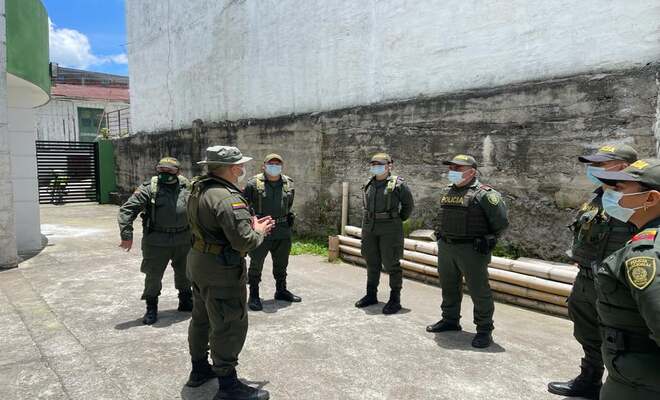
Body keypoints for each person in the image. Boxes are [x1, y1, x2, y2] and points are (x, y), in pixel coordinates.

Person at [548, 144, 638, 399]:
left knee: (621, 339)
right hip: (586, 278)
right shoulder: (599, 196)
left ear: (623, 166)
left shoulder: (639, 199)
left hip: (617, 284)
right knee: (586, 332)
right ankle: (589, 379)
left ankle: (621, 389)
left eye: (600, 164)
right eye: (593, 164)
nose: (593, 169)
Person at [185, 145, 274, 400]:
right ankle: (228, 385)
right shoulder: (227, 198)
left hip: (199, 262)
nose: (243, 169)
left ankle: (199, 369)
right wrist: (258, 230)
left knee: (201, 318)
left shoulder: (199, 189)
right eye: (241, 165)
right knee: (228, 323)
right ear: (234, 168)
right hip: (221, 270)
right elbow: (244, 241)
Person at [590, 158, 660, 400]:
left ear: (650, 199)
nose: (610, 194)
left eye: (618, 188)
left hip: (640, 383)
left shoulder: (645, 253)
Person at [426, 154, 508, 348]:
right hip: (446, 247)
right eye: (451, 168)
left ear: (471, 172)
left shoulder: (485, 195)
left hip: (472, 250)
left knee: (479, 291)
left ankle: (484, 330)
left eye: (458, 168)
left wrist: (488, 239)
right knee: (449, 286)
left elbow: (501, 223)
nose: (452, 171)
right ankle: (450, 320)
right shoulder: (447, 191)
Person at [117, 157, 192, 325]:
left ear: (178, 171)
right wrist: (127, 235)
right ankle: (151, 307)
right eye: (161, 170)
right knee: (153, 276)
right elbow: (127, 210)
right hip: (157, 240)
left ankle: (186, 300)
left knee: (185, 272)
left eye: (169, 171)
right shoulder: (149, 188)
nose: (164, 173)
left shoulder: (187, 186)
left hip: (184, 238)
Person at [355, 152, 414, 315]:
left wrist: (396, 219)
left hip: (390, 229)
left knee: (391, 263)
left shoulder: (398, 184)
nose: (376, 167)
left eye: (380, 164)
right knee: (371, 261)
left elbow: (408, 206)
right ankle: (371, 295)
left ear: (389, 166)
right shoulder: (368, 183)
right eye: (373, 164)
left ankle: (395, 299)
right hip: (370, 228)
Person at [244, 154, 300, 311]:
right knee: (256, 263)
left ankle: (281, 290)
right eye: (271, 163)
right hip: (262, 229)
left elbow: (289, 204)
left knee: (282, 263)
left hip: (282, 230)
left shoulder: (288, 183)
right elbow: (245, 206)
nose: (274, 166)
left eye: (277, 164)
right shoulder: (253, 183)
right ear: (264, 166)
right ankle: (254, 295)